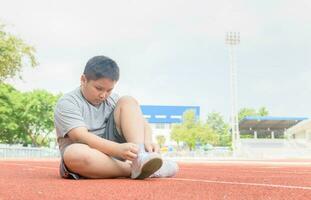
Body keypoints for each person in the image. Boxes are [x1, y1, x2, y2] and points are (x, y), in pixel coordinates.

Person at [54, 55, 178, 180]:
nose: (103, 95)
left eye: (109, 90)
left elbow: (142, 122)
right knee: (73, 154)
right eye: (98, 88)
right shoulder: (68, 102)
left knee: (128, 101)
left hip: (115, 156)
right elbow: (80, 136)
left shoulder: (113, 100)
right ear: (83, 79)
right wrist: (117, 149)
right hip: (90, 156)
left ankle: (141, 157)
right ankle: (135, 169)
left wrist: (147, 141)